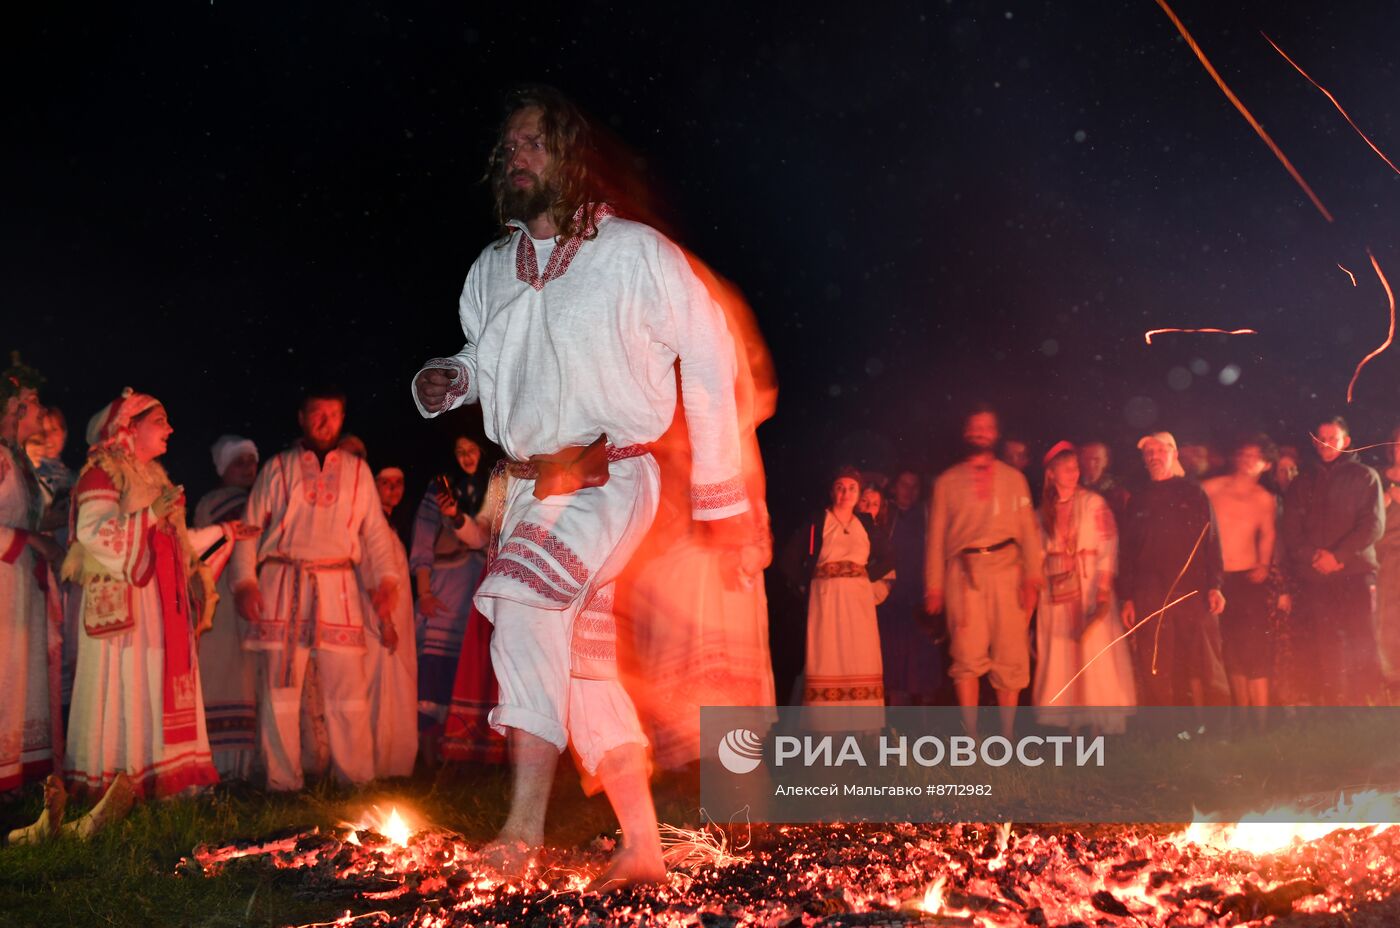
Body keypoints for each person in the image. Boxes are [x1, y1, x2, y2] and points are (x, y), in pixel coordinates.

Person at [409, 85, 750, 889]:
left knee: (523, 600)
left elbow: (708, 353)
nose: (513, 157)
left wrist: (720, 496)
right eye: (507, 147)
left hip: (610, 472)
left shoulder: (634, 252)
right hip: (528, 487)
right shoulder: (492, 269)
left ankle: (521, 830)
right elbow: (487, 361)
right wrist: (449, 380)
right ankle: (643, 846)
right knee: (582, 666)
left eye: (530, 143)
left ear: (568, 156)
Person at [64, 389, 253, 805]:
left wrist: (226, 533)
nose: (170, 428)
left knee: (151, 686)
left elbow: (177, 545)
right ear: (129, 428)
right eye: (159, 420)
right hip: (124, 611)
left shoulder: (155, 477)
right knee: (130, 687)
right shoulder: (103, 473)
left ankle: (163, 781)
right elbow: (93, 534)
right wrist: (150, 516)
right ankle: (120, 782)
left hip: (156, 606)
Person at [230, 388, 403, 791]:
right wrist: (244, 582)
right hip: (282, 584)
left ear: (343, 418)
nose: (326, 422)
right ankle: (282, 781)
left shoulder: (359, 472)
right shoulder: (278, 467)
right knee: (280, 689)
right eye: (317, 414)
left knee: (348, 689)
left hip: (338, 586)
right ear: (302, 418)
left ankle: (356, 777)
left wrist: (388, 582)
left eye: (334, 414)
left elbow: (375, 533)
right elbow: (249, 529)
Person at [925, 407, 1043, 739]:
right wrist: (934, 587)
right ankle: (971, 736)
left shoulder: (1013, 478)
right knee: (966, 654)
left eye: (986, 428)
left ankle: (1005, 736)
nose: (980, 432)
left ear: (995, 435)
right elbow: (935, 537)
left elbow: (1029, 533)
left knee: (1011, 655)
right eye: (974, 427)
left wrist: (1032, 579)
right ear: (966, 433)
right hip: (964, 575)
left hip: (1008, 571)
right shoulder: (947, 482)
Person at [1116, 432, 1227, 708]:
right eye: (1148, 453)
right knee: (1156, 666)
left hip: (1193, 591)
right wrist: (1128, 596)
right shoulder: (1138, 499)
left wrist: (1215, 585)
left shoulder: (1192, 493)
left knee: (1206, 663)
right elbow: (1128, 551)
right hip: (1150, 594)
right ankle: (1166, 735)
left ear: (1174, 455)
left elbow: (1211, 541)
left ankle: (1219, 733)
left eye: (1160, 451)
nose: (1154, 457)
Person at [1281, 417, 1385, 705]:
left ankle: (1367, 701)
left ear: (1346, 441)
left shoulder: (1364, 476)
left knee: (1360, 637)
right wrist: (1314, 557)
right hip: (1317, 576)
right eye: (1320, 437)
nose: (1325, 442)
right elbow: (1291, 530)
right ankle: (1334, 703)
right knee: (1325, 641)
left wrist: (1338, 556)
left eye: (1333, 436)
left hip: (1355, 573)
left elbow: (1373, 525)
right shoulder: (1302, 482)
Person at [1031, 442, 1134, 733]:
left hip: (1089, 586)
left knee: (1094, 651)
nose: (1074, 473)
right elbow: (1035, 554)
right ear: (1051, 474)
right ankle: (1070, 724)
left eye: (1076, 467)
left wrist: (1102, 591)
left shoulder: (1093, 503)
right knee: (1062, 653)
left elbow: (1108, 544)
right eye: (1067, 468)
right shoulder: (1041, 514)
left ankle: (1098, 726)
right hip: (1057, 592)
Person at [0, 357, 62, 798]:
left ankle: (14, 776)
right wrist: (35, 541)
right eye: (34, 401)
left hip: (19, 584)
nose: (42, 410)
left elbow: (31, 517)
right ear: (14, 406)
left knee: (16, 675)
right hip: (3, 581)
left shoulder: (18, 461)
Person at [787, 468, 891, 728]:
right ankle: (826, 730)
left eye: (852, 488)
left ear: (859, 493)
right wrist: (807, 583)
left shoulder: (865, 523)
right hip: (827, 599)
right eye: (840, 487)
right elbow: (788, 559)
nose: (846, 493)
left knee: (860, 654)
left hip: (857, 601)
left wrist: (864, 577)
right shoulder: (818, 521)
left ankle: (863, 733)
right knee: (828, 653)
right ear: (832, 491)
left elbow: (890, 557)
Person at [411, 436, 489, 765]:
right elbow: (423, 542)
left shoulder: (494, 485)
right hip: (443, 590)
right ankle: (429, 761)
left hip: (476, 590)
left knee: (466, 673)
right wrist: (424, 591)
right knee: (434, 672)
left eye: (471, 450)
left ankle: (461, 758)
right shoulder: (439, 489)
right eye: (459, 451)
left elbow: (486, 535)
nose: (466, 457)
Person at [192, 435, 261, 781]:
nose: (249, 468)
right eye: (239, 462)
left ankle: (241, 770)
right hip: (221, 599)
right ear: (222, 468)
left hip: (236, 602)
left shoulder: (247, 501)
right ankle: (223, 769)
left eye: (252, 461)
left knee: (243, 679)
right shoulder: (222, 503)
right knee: (225, 679)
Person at [1202, 435, 1279, 717]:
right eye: (1244, 454)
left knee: (1254, 647)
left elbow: (1268, 533)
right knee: (1229, 648)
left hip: (1249, 579)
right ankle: (1242, 717)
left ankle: (1261, 721)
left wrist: (1263, 564)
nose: (1247, 460)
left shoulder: (1264, 499)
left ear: (1266, 464)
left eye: (1255, 456)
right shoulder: (1212, 488)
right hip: (1219, 580)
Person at [877, 469, 944, 705]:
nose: (909, 491)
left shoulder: (925, 515)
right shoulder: (884, 514)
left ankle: (924, 730)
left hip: (918, 599)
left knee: (922, 668)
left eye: (914, 486)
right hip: (890, 601)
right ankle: (896, 730)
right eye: (904, 484)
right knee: (894, 667)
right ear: (894, 487)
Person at [1377, 426, 1400, 700]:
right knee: (1388, 616)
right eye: (1397, 443)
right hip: (1388, 557)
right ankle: (1393, 676)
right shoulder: (1380, 477)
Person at [1079, 441, 1130, 524]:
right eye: (1087, 459)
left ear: (1105, 462)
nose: (1091, 464)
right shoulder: (1072, 492)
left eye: (1096, 459)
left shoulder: (1119, 496)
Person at [375, 466, 412, 547]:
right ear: (375, 486)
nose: (394, 488)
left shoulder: (403, 522)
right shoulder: (371, 523)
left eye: (398, 482)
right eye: (385, 483)